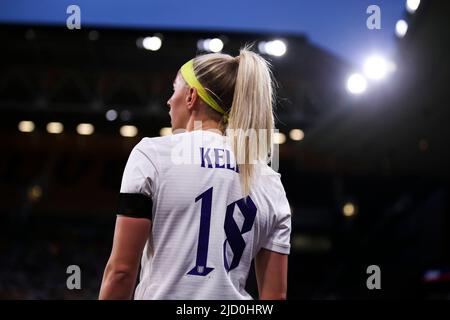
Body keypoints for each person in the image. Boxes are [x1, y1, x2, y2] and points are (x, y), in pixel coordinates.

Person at [99, 47, 291, 300]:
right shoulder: (270, 180)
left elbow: (121, 272)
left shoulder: (152, 154)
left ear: (191, 96)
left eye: (174, 90)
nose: (169, 101)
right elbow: (275, 296)